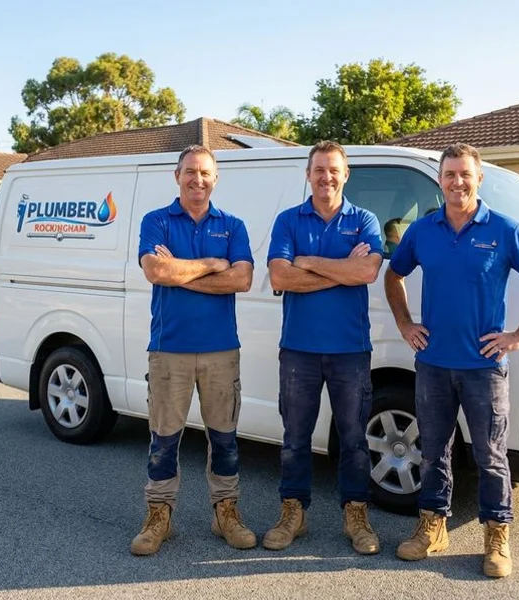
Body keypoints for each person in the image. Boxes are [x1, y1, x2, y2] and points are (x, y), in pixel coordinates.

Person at [384, 142, 519, 577]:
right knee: (432, 453)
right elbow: (393, 275)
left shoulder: (503, 229)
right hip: (433, 364)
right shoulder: (423, 231)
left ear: (478, 179)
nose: (457, 182)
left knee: (490, 455)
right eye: (449, 175)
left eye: (465, 174)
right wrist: (406, 324)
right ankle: (432, 527)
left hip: (483, 367)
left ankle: (497, 537)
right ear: (440, 180)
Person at [131, 144, 256, 556]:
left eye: (205, 173)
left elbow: (241, 280)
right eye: (189, 172)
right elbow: (155, 270)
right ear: (177, 176)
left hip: (222, 350)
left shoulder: (233, 225)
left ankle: (225, 513)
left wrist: (181, 272)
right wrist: (212, 263)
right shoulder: (156, 221)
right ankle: (159, 516)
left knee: (224, 439)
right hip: (169, 351)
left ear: (215, 179)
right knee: (163, 440)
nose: (197, 179)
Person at [263, 141, 384, 555]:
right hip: (298, 349)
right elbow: (280, 277)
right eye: (319, 170)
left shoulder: (365, 219)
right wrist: (341, 270)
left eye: (334, 170)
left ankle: (356, 515)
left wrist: (308, 261)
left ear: (345, 174)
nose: (326, 176)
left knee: (353, 439)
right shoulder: (287, 220)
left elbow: (368, 269)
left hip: (351, 349)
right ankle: (293, 513)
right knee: (295, 438)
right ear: (308, 174)